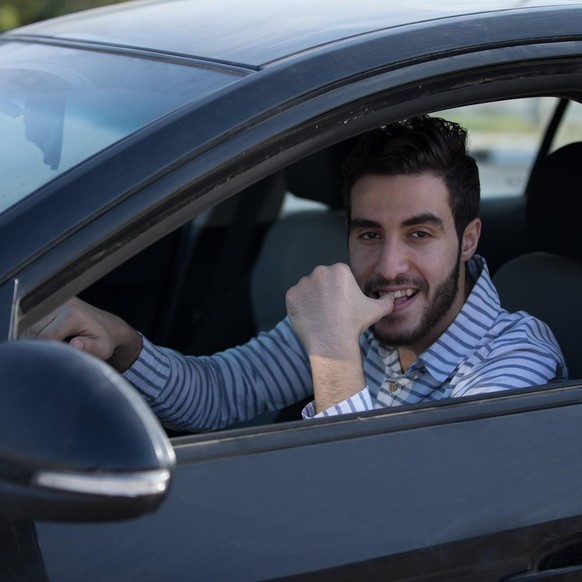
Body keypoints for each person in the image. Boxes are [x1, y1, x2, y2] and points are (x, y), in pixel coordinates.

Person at [28, 116, 566, 431]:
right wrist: (123, 343)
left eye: (420, 234)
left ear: (468, 239)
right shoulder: (360, 311)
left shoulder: (515, 363)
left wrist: (332, 353)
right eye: (369, 234)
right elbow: (222, 393)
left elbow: (408, 516)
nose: (388, 266)